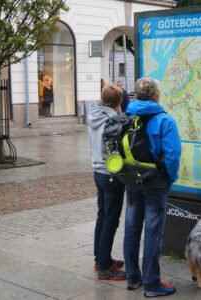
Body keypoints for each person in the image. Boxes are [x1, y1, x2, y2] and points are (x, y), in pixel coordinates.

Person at [124, 77, 182, 297]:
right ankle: (151, 283)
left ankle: (132, 277)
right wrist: (170, 177)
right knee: (153, 230)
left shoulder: (129, 115)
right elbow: (173, 155)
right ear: (156, 95)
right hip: (155, 181)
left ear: (137, 95)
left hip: (132, 177)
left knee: (131, 226)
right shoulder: (165, 121)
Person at [87, 85, 127, 281]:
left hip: (98, 172)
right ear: (118, 102)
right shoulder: (113, 119)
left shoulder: (94, 115)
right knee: (111, 219)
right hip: (111, 174)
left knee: (103, 215)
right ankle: (104, 267)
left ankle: (101, 259)